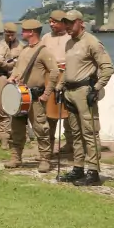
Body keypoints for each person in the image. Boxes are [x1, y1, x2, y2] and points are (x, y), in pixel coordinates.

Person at [57, 10, 114, 186]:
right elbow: (68, 68)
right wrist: (60, 86)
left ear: (81, 23)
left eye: (70, 23)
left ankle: (93, 171)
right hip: (70, 91)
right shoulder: (69, 43)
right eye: (65, 23)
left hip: (84, 91)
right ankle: (78, 167)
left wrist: (96, 88)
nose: (67, 26)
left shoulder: (92, 42)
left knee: (89, 132)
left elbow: (108, 68)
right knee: (75, 132)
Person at [7, 19, 57, 171]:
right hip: (20, 95)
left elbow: (54, 72)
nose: (22, 32)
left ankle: (45, 159)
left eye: (24, 30)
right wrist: (12, 78)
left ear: (32, 32)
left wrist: (47, 93)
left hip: (35, 96)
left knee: (41, 128)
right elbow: (17, 68)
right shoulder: (24, 49)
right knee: (17, 128)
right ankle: (16, 157)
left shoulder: (43, 51)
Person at [41, 9, 75, 156]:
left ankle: (71, 145)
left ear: (63, 23)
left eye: (54, 21)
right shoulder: (46, 38)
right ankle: (48, 147)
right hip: (50, 77)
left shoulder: (71, 37)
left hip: (68, 76)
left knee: (70, 113)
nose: (51, 24)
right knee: (49, 115)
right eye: (50, 21)